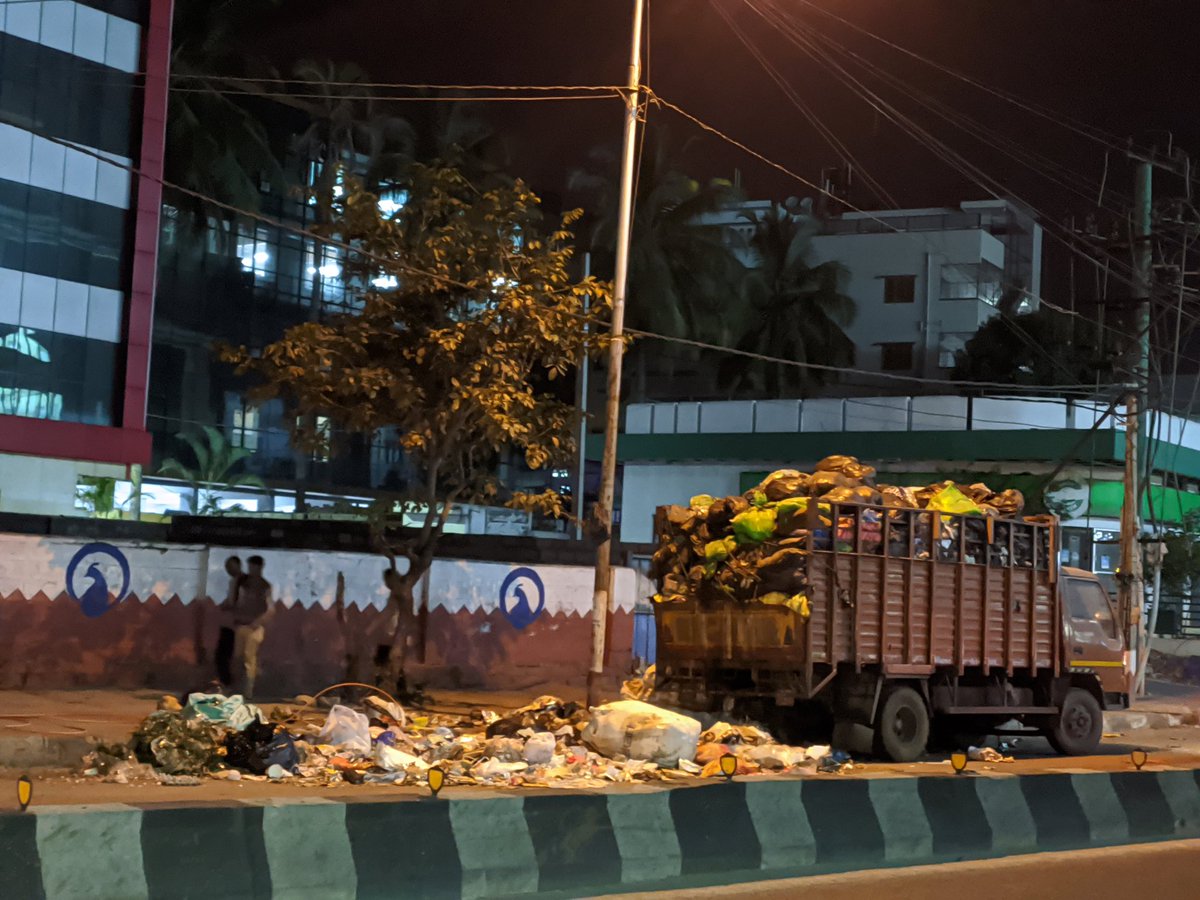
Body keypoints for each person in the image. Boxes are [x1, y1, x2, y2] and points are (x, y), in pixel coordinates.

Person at [231, 555, 274, 698]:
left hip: (254, 628)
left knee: (249, 660)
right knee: (238, 658)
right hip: (241, 625)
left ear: (260, 567)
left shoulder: (265, 586)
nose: (251, 570)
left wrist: (258, 622)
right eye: (250, 567)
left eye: (253, 567)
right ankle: (237, 689)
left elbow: (270, 609)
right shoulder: (243, 582)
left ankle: (247, 692)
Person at [215, 556, 243, 690]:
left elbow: (236, 602)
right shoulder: (234, 582)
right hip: (230, 624)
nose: (229, 570)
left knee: (225, 655)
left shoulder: (243, 582)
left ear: (238, 565)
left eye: (231, 566)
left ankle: (228, 684)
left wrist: (228, 605)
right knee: (223, 655)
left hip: (237, 625)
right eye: (227, 567)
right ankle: (226, 683)